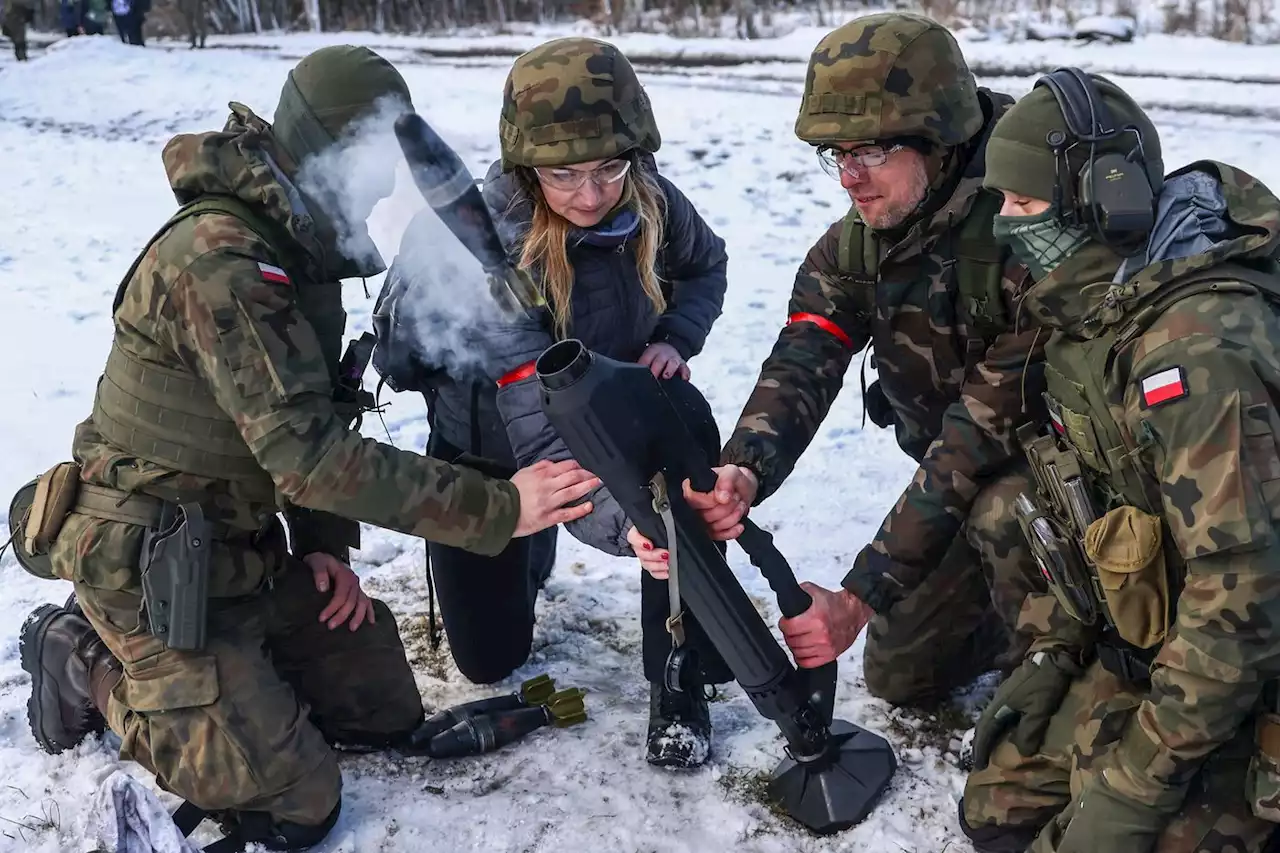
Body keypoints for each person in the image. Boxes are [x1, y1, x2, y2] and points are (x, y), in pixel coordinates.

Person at [17, 46, 598, 852]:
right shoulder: (225, 263)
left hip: (234, 551)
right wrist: (503, 507)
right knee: (299, 802)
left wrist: (322, 545)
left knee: (382, 713)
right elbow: (311, 458)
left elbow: (307, 417)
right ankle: (84, 653)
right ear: (331, 152)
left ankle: (234, 690)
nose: (386, 186)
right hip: (144, 559)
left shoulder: (297, 245)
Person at [634, 12, 1046, 708]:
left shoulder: (1030, 228)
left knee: (1004, 508)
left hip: (1067, 488)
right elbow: (802, 359)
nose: (850, 178)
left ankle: (1077, 649)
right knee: (901, 675)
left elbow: (972, 440)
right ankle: (1011, 619)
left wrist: (859, 595)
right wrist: (742, 469)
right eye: (836, 154)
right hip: (963, 489)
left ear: (938, 137)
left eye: (871, 152)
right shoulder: (856, 246)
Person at [377, 35, 731, 769]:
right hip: (491, 455)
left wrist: (673, 338)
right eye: (564, 174)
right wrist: (613, 519)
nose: (593, 194)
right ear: (524, 166)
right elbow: (539, 429)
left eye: (609, 167)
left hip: (616, 417)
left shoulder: (655, 200)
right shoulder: (486, 247)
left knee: (683, 451)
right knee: (489, 660)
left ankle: (679, 668)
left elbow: (706, 268)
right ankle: (525, 544)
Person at [958, 67, 1280, 853]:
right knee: (996, 810)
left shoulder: (1197, 351)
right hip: (1185, 638)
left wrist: (1137, 787)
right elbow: (1100, 510)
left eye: (1024, 204)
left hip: (1253, 654)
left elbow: (1242, 597)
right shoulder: (1106, 307)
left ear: (1105, 198)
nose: (1005, 226)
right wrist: (1058, 649)